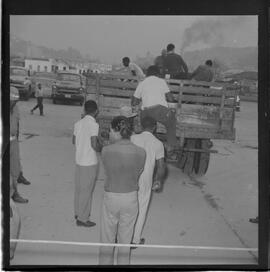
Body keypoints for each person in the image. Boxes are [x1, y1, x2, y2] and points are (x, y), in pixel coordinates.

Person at [99, 116, 146, 265]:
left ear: (114, 130)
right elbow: (138, 172)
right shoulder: (141, 152)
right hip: (131, 198)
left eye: (111, 130)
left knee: (107, 239)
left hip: (111, 197)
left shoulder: (106, 150)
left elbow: (108, 169)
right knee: (125, 242)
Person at [131, 116, 166, 247]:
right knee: (141, 208)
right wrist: (158, 180)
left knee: (127, 206)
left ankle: (121, 237)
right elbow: (161, 166)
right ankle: (135, 240)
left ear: (141, 125)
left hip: (130, 176)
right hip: (145, 179)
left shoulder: (133, 138)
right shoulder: (158, 143)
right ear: (154, 127)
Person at [131, 65, 178, 160]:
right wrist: (172, 104)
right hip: (159, 111)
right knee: (172, 122)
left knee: (146, 130)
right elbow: (170, 98)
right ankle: (170, 148)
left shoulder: (142, 83)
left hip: (145, 113)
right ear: (157, 73)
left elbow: (134, 102)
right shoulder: (161, 81)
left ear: (147, 74)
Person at [72, 100, 102, 227]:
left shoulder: (78, 123)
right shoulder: (94, 125)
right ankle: (83, 219)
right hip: (89, 162)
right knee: (87, 191)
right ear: (96, 111)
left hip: (79, 160)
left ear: (84, 110)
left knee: (79, 189)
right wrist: (102, 147)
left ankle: (77, 212)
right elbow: (94, 144)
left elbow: (74, 141)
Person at [10, 87, 29, 203]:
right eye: (13, 100)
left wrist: (17, 139)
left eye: (16, 100)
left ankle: (14, 193)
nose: (15, 102)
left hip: (13, 142)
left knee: (15, 169)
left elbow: (16, 123)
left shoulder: (16, 108)